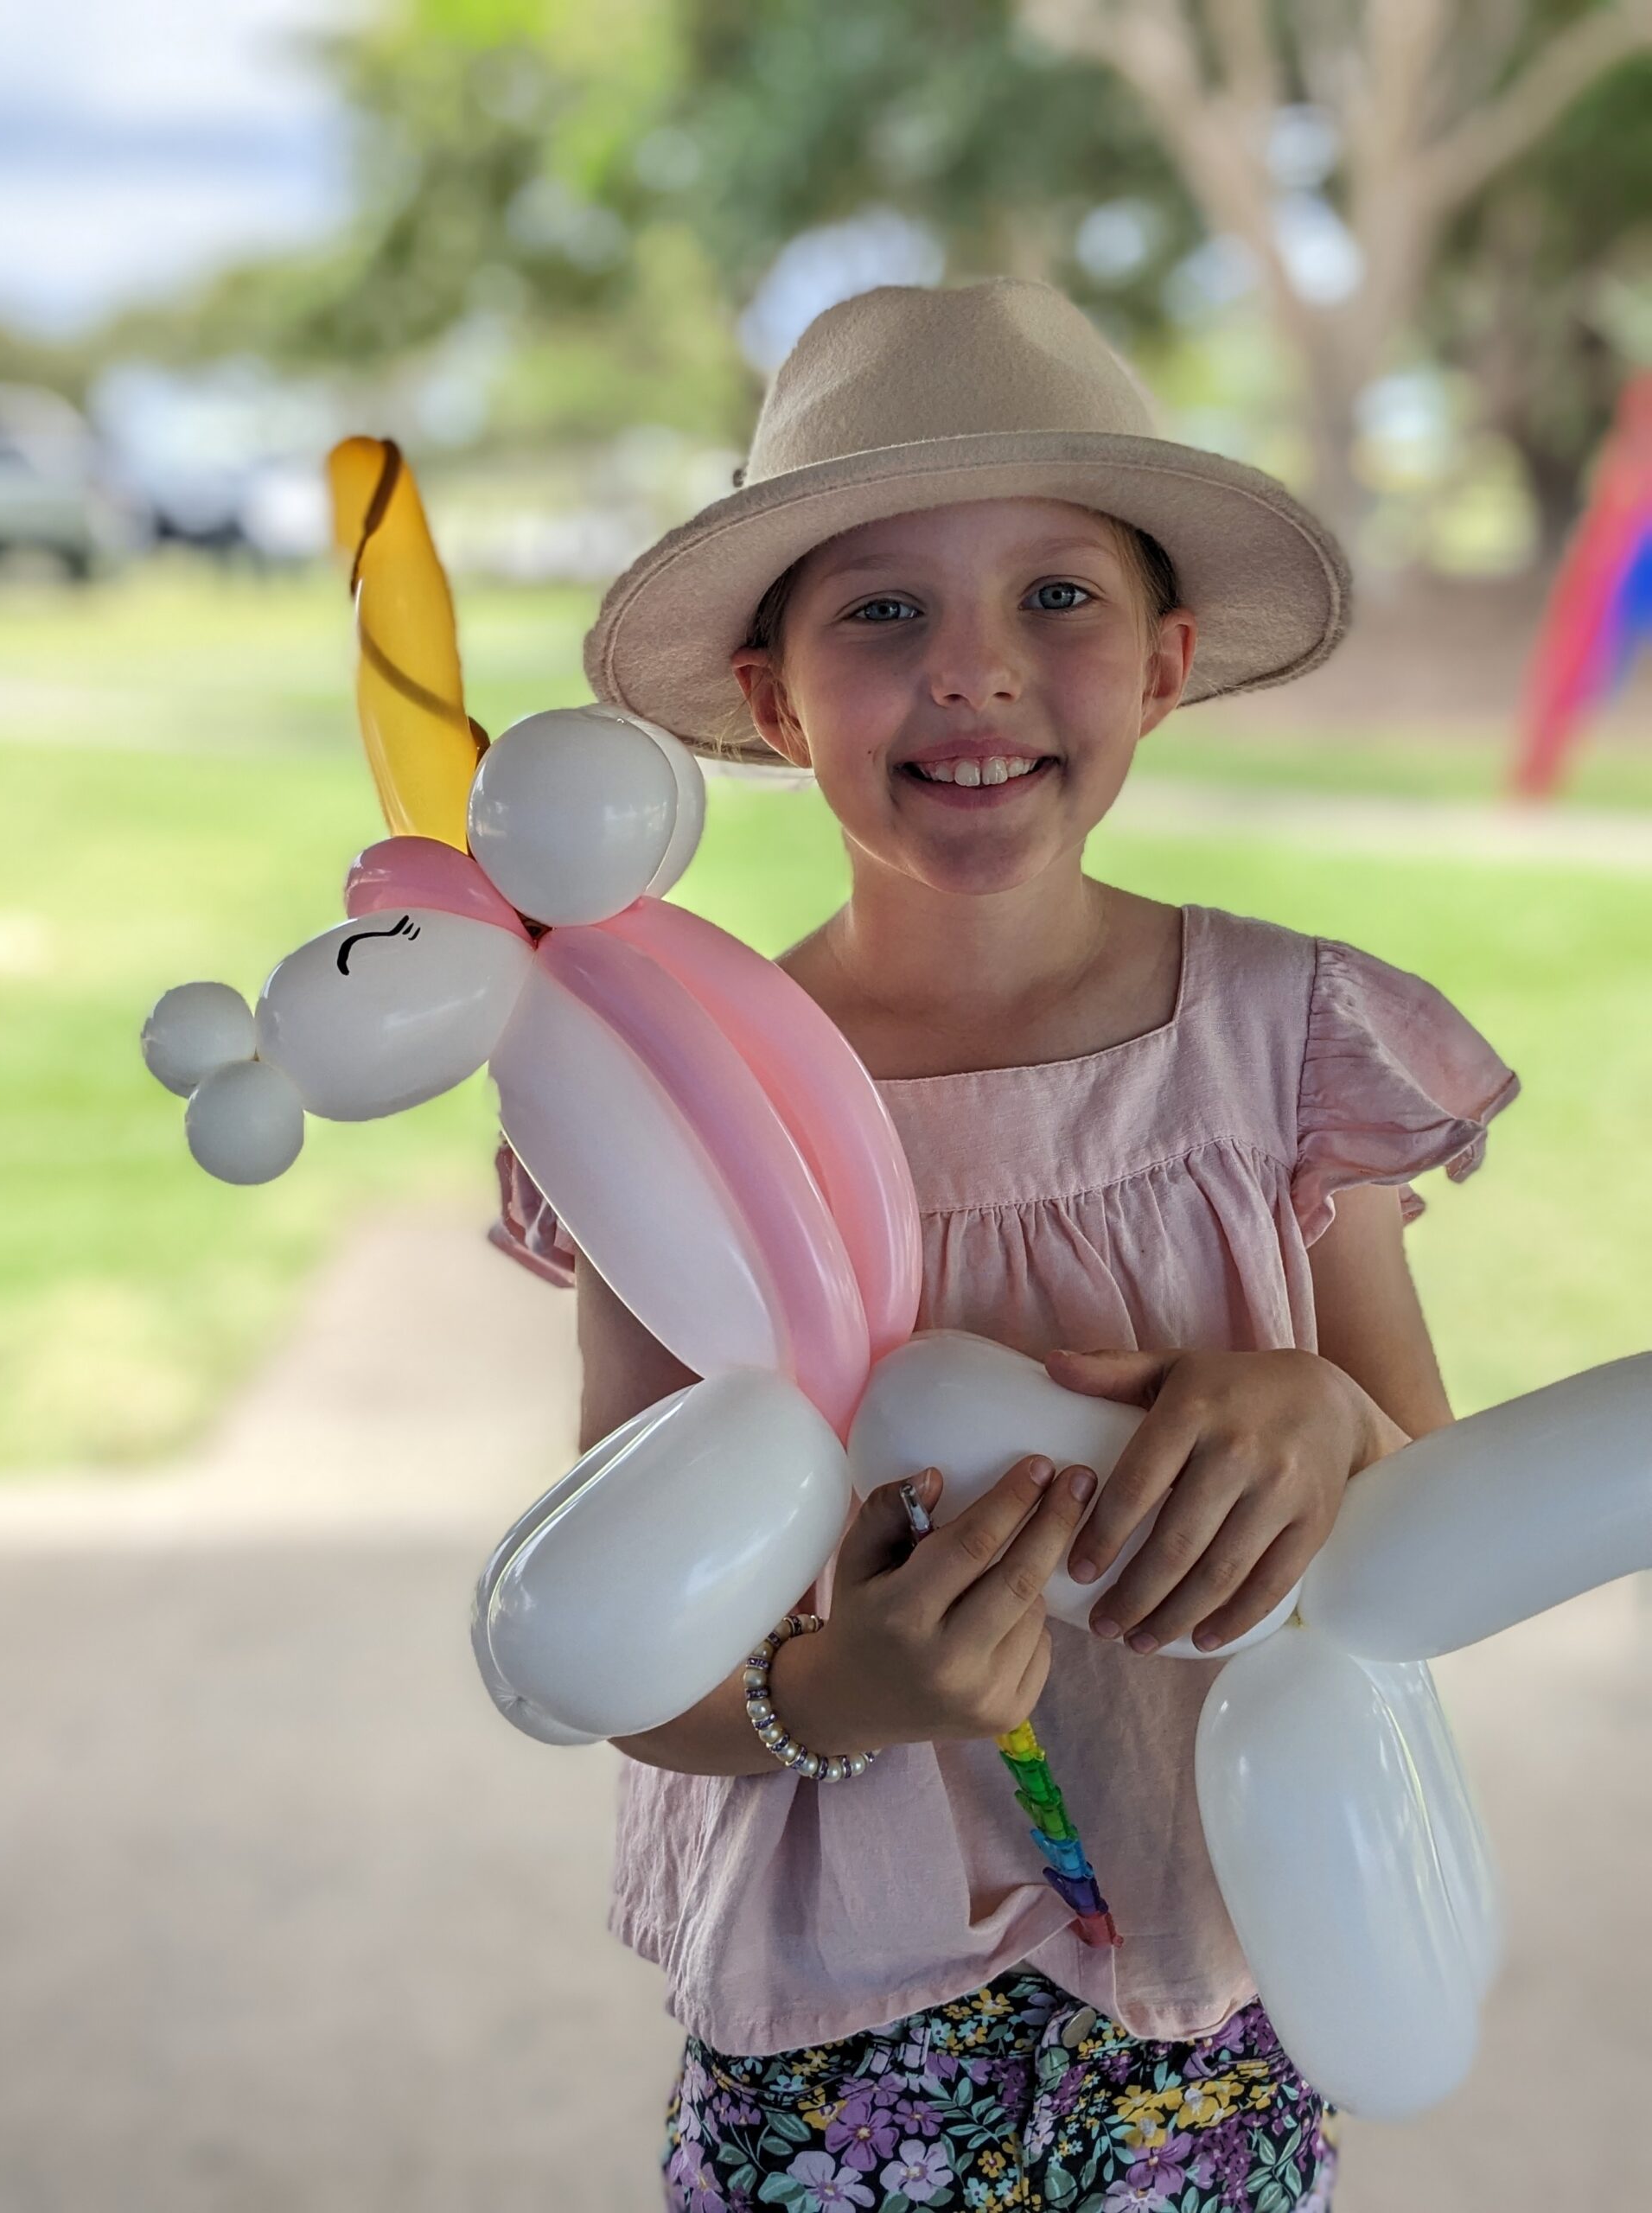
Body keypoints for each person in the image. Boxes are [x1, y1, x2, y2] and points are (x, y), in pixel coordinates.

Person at [490, 277, 1520, 2211]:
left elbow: (1433, 1511)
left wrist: (1315, 1412)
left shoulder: (1289, 1044)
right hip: (834, 2025)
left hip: (1207, 1985)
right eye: (883, 608)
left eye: (1059, 597)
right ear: (779, 703)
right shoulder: (670, 1104)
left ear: (1164, 662)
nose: (975, 671)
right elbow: (626, 1633)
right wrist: (838, 1692)